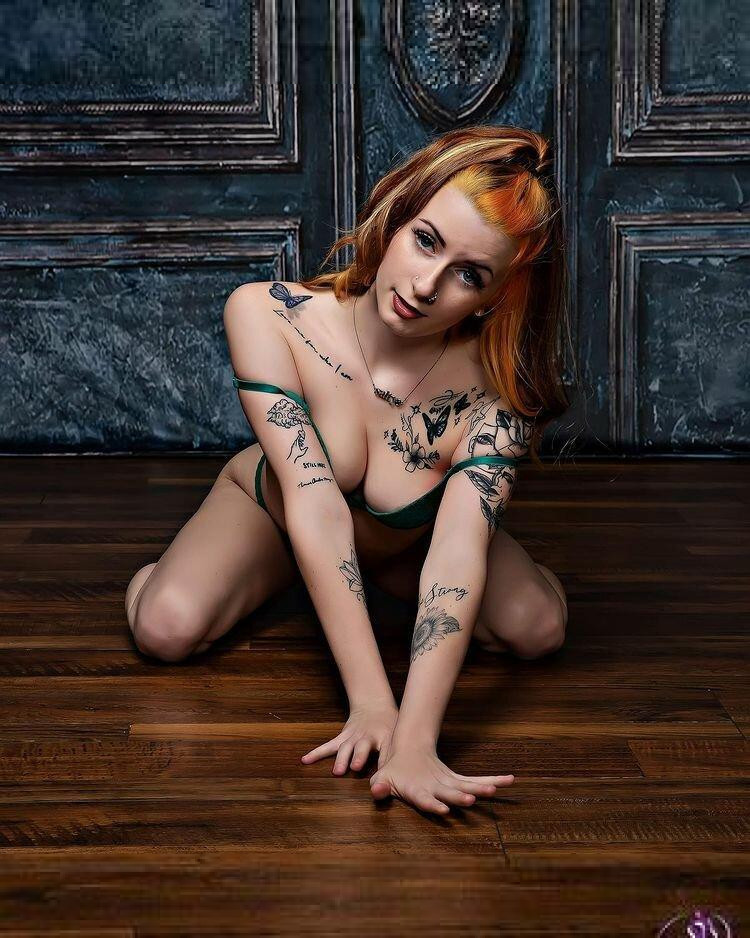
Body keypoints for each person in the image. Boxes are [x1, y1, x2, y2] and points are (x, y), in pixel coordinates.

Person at [124, 124, 574, 817]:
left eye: (469, 274)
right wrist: (372, 703)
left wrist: (415, 742)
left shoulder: (496, 393)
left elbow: (456, 549)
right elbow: (312, 500)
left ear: (493, 295)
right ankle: (204, 570)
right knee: (166, 627)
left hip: (408, 540)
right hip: (279, 513)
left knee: (538, 629)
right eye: (426, 240)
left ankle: (399, 578)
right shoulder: (269, 315)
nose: (426, 285)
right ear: (398, 215)